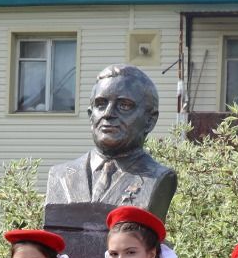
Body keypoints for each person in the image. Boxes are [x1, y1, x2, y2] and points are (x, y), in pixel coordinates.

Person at [45, 64, 178, 218]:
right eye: (100, 104)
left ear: (150, 120)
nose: (108, 114)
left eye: (124, 105)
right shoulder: (59, 175)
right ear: (90, 116)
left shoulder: (158, 177)